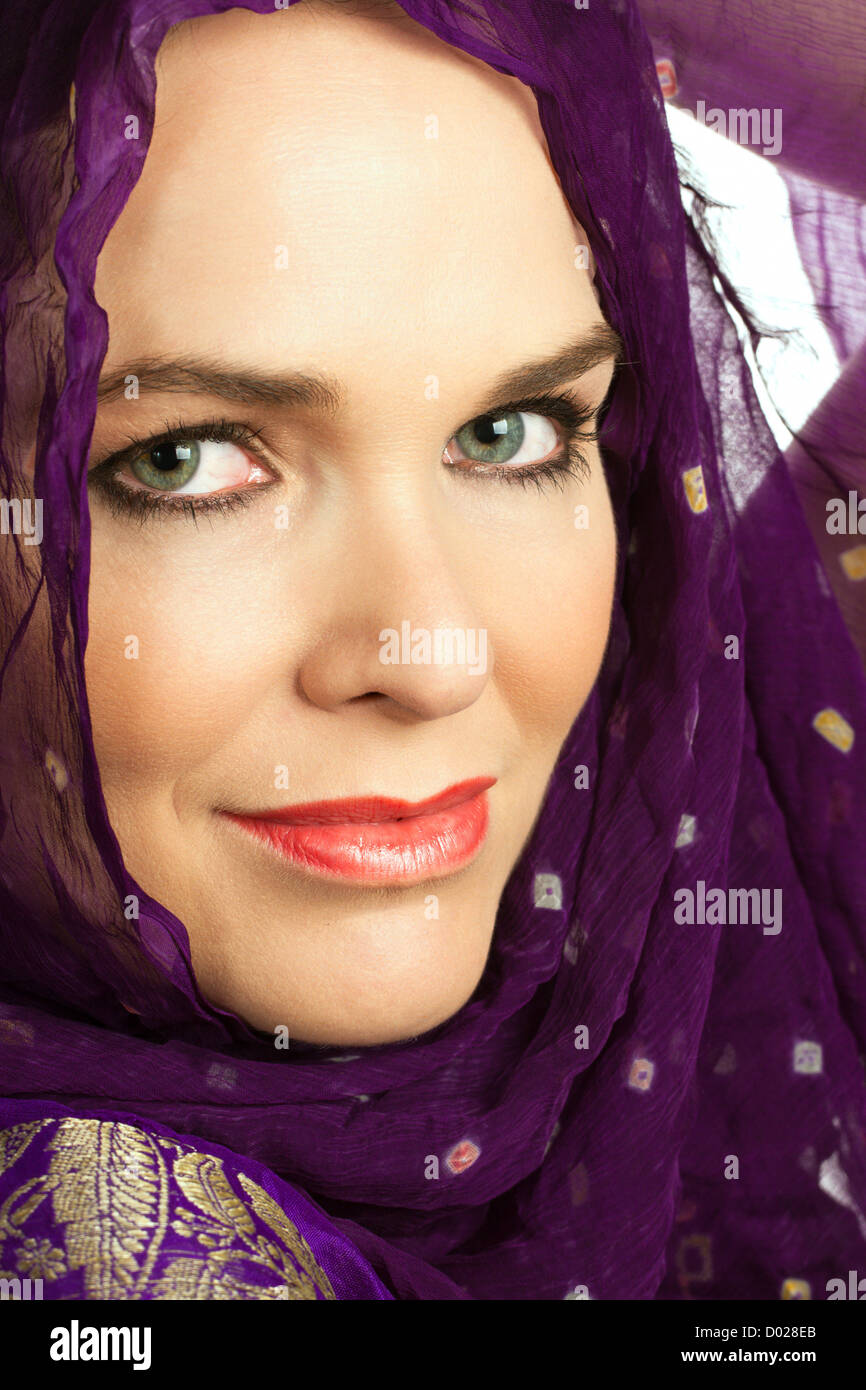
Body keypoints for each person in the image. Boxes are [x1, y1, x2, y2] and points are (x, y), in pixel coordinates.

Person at [0, 0, 864, 1301]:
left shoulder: (637, 1039)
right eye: (182, 461)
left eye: (512, 434)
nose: (433, 653)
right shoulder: (101, 1256)